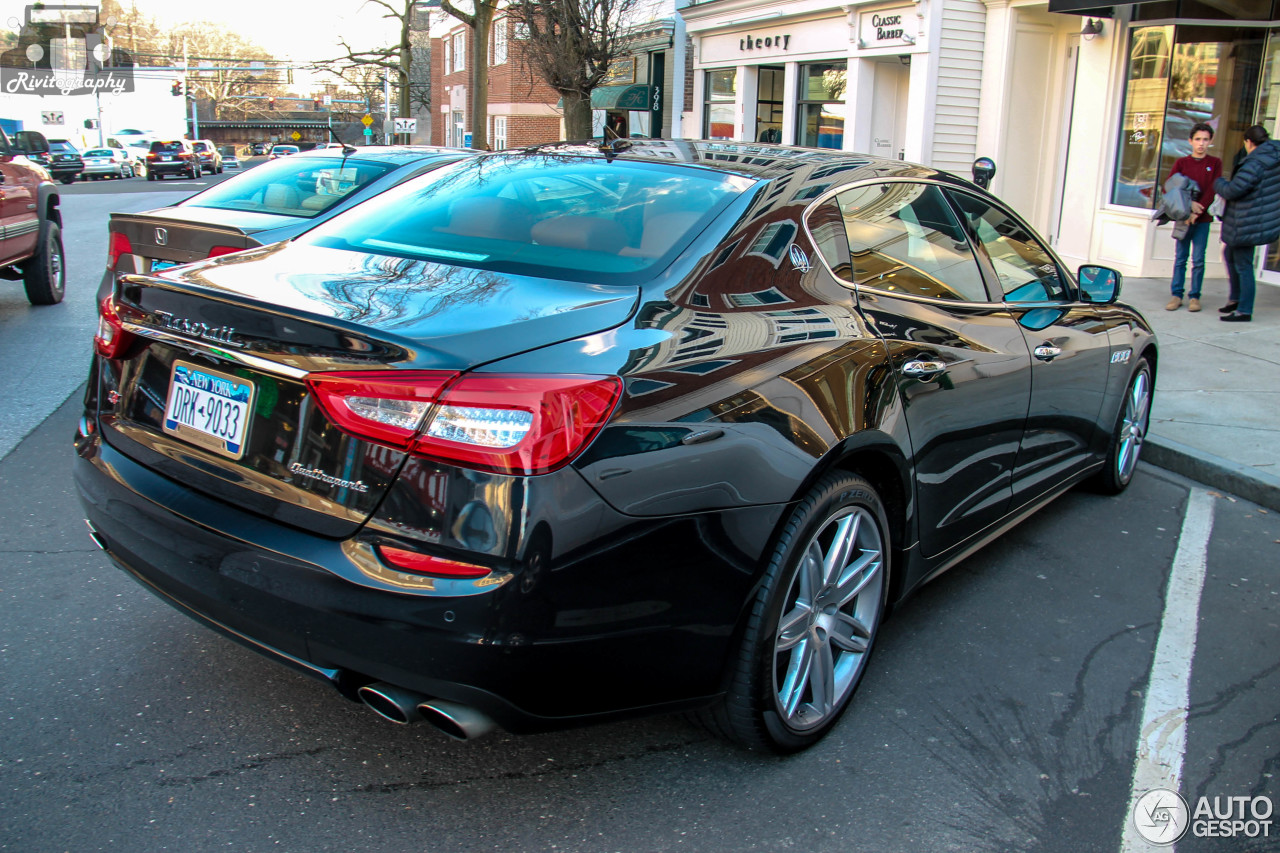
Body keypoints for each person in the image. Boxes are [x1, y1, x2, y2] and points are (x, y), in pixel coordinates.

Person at [1213, 125, 1280, 322]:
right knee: (1229, 254)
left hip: (1248, 220)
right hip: (1256, 217)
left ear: (1249, 142)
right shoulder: (1273, 157)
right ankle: (1235, 299)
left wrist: (1219, 183)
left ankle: (1244, 310)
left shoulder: (1256, 162)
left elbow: (1234, 190)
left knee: (1243, 263)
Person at [1164, 123, 1222, 312]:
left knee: (1198, 259)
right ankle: (1176, 295)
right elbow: (1171, 187)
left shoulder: (1215, 163)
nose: (1201, 143)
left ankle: (1194, 296)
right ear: (1190, 141)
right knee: (1181, 258)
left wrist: (1198, 210)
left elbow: (1214, 188)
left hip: (1202, 220)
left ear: (1210, 141)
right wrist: (1189, 207)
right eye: (1198, 139)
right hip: (1183, 217)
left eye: (1205, 140)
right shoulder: (1182, 163)